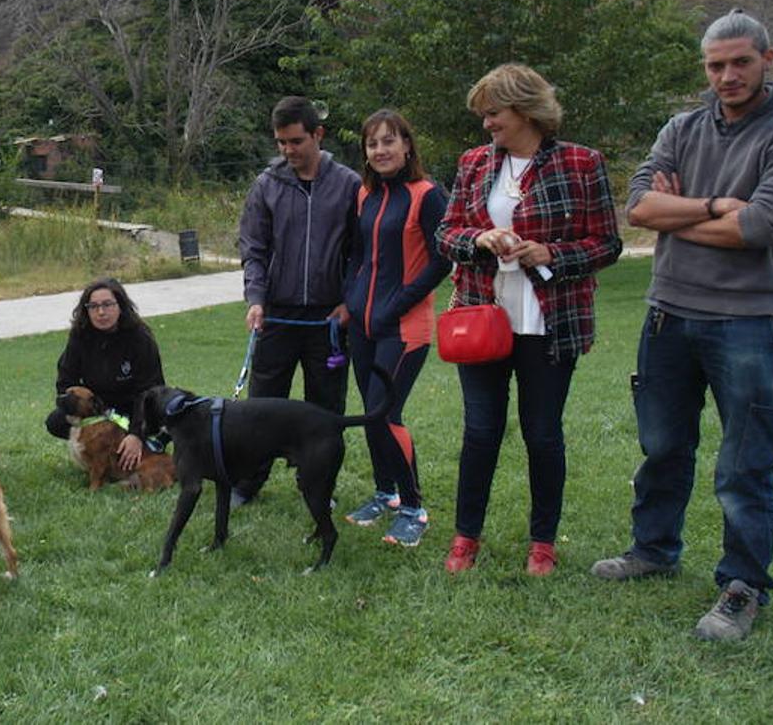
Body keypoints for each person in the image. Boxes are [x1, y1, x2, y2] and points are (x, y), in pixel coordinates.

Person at [590, 9, 773, 641]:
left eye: (741, 61)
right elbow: (637, 206)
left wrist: (677, 211)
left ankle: (742, 586)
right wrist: (716, 205)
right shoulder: (682, 127)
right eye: (716, 65)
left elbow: (762, 227)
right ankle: (654, 549)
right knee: (662, 447)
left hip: (748, 320)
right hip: (668, 313)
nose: (727, 75)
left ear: (767, 60)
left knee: (744, 462)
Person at [436, 63, 621, 576]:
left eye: (493, 114)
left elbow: (608, 243)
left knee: (542, 434)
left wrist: (553, 254)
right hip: (482, 320)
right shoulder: (474, 164)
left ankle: (543, 543)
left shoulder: (582, 163)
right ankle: (464, 537)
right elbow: (446, 233)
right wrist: (479, 239)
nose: (486, 125)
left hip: (550, 324)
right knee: (480, 432)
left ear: (525, 110)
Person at [236, 96, 361, 504]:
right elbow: (253, 248)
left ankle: (319, 487)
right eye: (280, 143)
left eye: (296, 141)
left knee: (325, 411)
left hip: (328, 319)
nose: (288, 151)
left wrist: (350, 301)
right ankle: (247, 483)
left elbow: (362, 251)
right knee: (260, 407)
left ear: (318, 135)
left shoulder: (349, 185)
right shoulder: (267, 185)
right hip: (277, 316)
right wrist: (256, 298)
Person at [342, 110, 450, 547]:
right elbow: (357, 255)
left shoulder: (428, 195)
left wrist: (397, 304)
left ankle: (413, 507)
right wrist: (350, 300)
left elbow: (443, 260)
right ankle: (384, 494)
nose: (381, 150)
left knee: (386, 414)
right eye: (373, 144)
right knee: (370, 414)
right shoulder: (365, 195)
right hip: (363, 326)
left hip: (405, 327)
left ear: (407, 145)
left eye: (389, 141)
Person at [48, 278, 166, 469]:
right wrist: (83, 413)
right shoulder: (80, 335)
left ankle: (146, 443)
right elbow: (65, 379)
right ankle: (96, 450)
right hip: (99, 409)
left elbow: (151, 391)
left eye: (107, 305)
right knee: (56, 421)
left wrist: (136, 433)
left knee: (142, 428)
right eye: (93, 306)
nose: (101, 312)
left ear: (121, 306)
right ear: (86, 310)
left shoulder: (140, 338)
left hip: (134, 409)